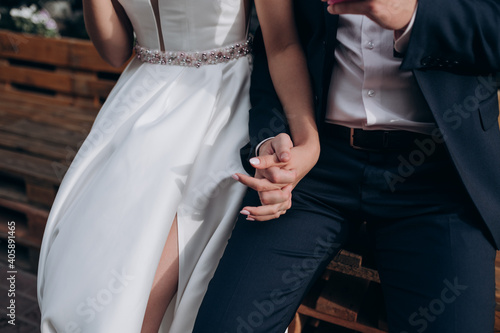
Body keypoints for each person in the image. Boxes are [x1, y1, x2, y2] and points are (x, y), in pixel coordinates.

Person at [194, 0, 500, 332]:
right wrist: (274, 136)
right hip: (316, 163)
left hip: (439, 176)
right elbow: (280, 42)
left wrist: (414, 16)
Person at [36, 0, 255, 332]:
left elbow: (285, 41)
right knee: (86, 258)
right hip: (139, 101)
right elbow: (115, 51)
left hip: (224, 100)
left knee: (148, 276)